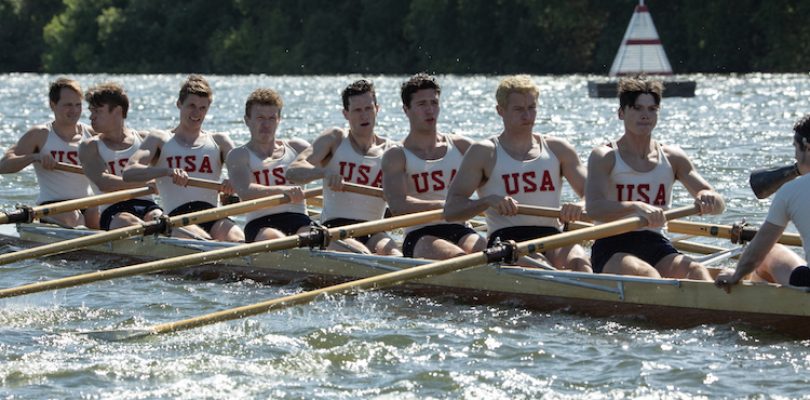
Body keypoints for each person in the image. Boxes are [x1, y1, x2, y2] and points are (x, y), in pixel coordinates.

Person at [444, 75, 591, 272]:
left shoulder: (558, 148)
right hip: (507, 241)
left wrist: (579, 205)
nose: (527, 116)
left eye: (532, 108)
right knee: (543, 269)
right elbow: (452, 209)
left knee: (580, 265)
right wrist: (488, 201)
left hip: (553, 236)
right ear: (500, 111)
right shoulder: (484, 152)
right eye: (519, 109)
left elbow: (594, 194)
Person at [585, 77, 724, 280]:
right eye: (638, 108)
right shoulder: (604, 156)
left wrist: (707, 197)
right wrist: (636, 206)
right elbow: (594, 208)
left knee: (696, 271)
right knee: (648, 275)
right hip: (611, 245)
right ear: (621, 113)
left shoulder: (673, 157)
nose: (645, 116)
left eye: (652, 109)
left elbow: (719, 205)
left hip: (654, 242)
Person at [122, 75, 244, 242]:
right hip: (177, 218)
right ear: (179, 104)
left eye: (202, 108)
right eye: (191, 106)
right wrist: (166, 171)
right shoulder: (159, 139)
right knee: (204, 241)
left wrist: (234, 181)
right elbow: (129, 173)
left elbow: (245, 173)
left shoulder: (219, 141)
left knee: (238, 240)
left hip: (213, 216)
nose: (196, 113)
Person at [286, 79, 401, 255]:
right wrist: (324, 173)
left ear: (377, 109)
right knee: (363, 256)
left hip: (375, 230)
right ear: (346, 114)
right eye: (357, 110)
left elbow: (407, 198)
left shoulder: (392, 150)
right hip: (335, 228)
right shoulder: (335, 139)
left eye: (368, 109)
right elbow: (293, 171)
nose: (364, 116)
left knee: (397, 257)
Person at [382, 73, 487, 259]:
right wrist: (446, 206)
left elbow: (496, 179)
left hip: (460, 228)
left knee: (492, 255)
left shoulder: (462, 146)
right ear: (406, 109)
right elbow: (397, 205)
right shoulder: (396, 155)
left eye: (434, 103)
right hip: (420, 235)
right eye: (422, 105)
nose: (430, 110)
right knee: (461, 259)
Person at [715, 115, 810, 290]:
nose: (795, 157)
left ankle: (760, 309)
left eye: (796, 148)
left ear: (807, 147)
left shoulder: (790, 191)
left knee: (770, 252)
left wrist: (736, 275)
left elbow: (759, 249)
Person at [0, 77, 99, 229]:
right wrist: (35, 157)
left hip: (88, 205)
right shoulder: (40, 134)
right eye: (68, 105)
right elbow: (4, 165)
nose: (74, 111)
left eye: (78, 105)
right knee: (74, 217)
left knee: (99, 214)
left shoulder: (92, 134)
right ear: (52, 105)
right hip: (52, 207)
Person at [225, 88, 312, 243]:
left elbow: (327, 169)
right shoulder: (238, 155)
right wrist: (284, 190)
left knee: (313, 237)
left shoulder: (299, 148)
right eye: (260, 118)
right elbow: (246, 192)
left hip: (299, 219)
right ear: (247, 120)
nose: (266, 125)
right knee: (277, 239)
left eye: (271, 118)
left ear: (279, 120)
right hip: (261, 224)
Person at [78, 82, 163, 230]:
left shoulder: (145, 139)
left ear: (117, 111)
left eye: (97, 111)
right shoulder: (89, 147)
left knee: (159, 217)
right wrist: (145, 183)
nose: (91, 117)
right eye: (91, 111)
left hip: (147, 206)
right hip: (113, 211)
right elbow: (104, 183)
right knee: (128, 220)